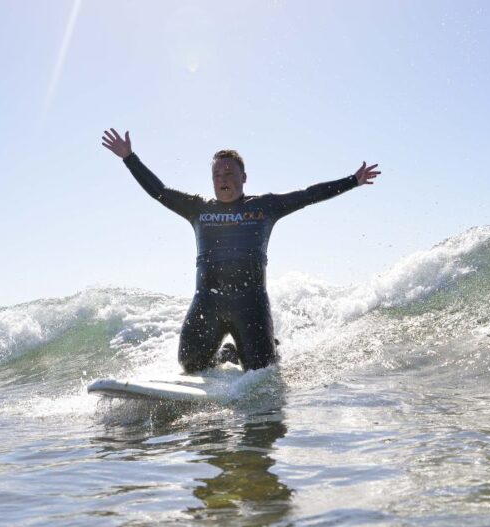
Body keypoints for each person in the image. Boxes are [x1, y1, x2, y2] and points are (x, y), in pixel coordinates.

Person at [101, 128, 380, 373]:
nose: (223, 178)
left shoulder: (265, 207)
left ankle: (264, 346)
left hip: (251, 304)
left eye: (229, 172)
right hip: (207, 303)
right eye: (217, 174)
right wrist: (129, 158)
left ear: (244, 177)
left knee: (261, 372)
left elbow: (308, 195)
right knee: (189, 364)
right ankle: (226, 354)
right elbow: (159, 191)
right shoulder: (199, 209)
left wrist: (352, 181)